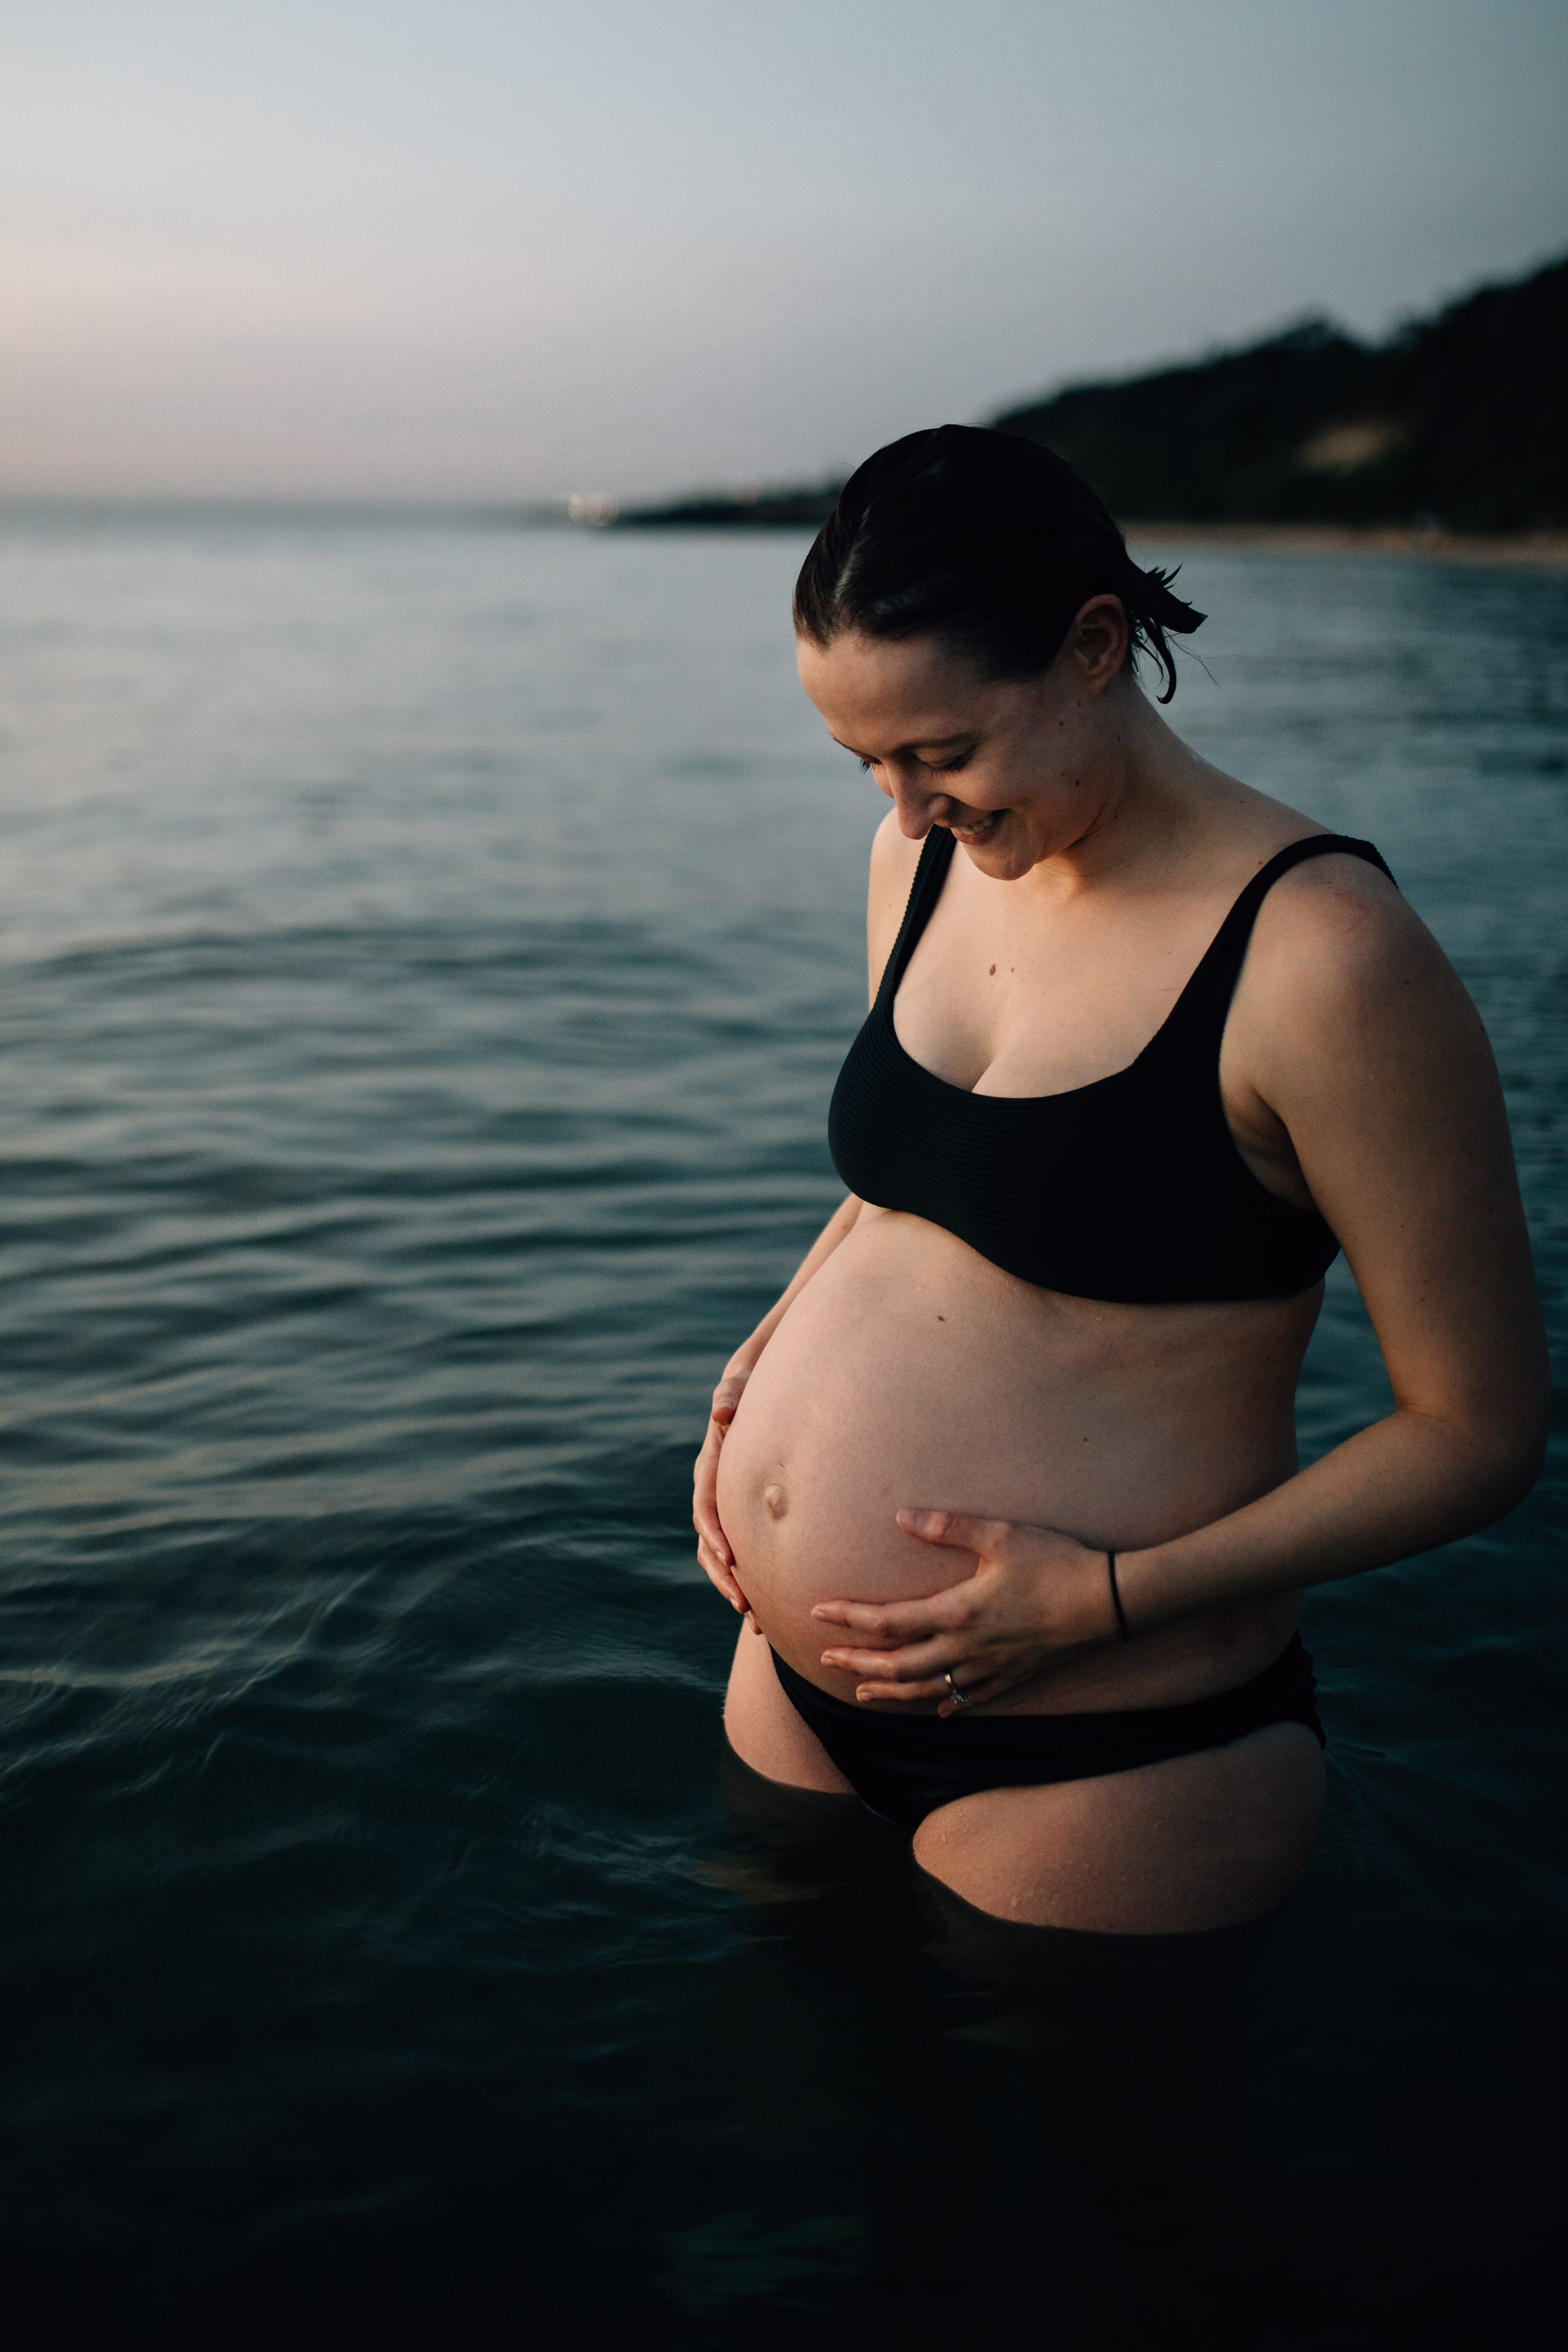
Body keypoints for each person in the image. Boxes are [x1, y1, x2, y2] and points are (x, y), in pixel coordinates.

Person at [692, 425, 1546, 1935]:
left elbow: (1477, 1433)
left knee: (1085, 2169)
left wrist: (1098, 1604)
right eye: (866, 763)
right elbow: (922, 1183)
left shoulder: (1323, 959)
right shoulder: (929, 864)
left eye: (941, 753)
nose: (901, 810)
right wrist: (761, 1363)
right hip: (797, 1697)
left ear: (1096, 647)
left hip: (1104, 1752)